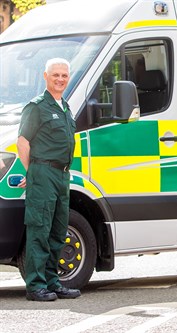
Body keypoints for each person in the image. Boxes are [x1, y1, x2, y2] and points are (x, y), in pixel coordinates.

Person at [17, 58, 81, 301]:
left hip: (62, 175)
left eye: (64, 75)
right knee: (39, 230)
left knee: (57, 231)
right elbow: (23, 141)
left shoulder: (64, 106)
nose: (60, 79)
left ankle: (53, 282)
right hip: (43, 173)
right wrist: (32, 171)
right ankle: (36, 286)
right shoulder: (37, 107)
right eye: (56, 75)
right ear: (46, 76)